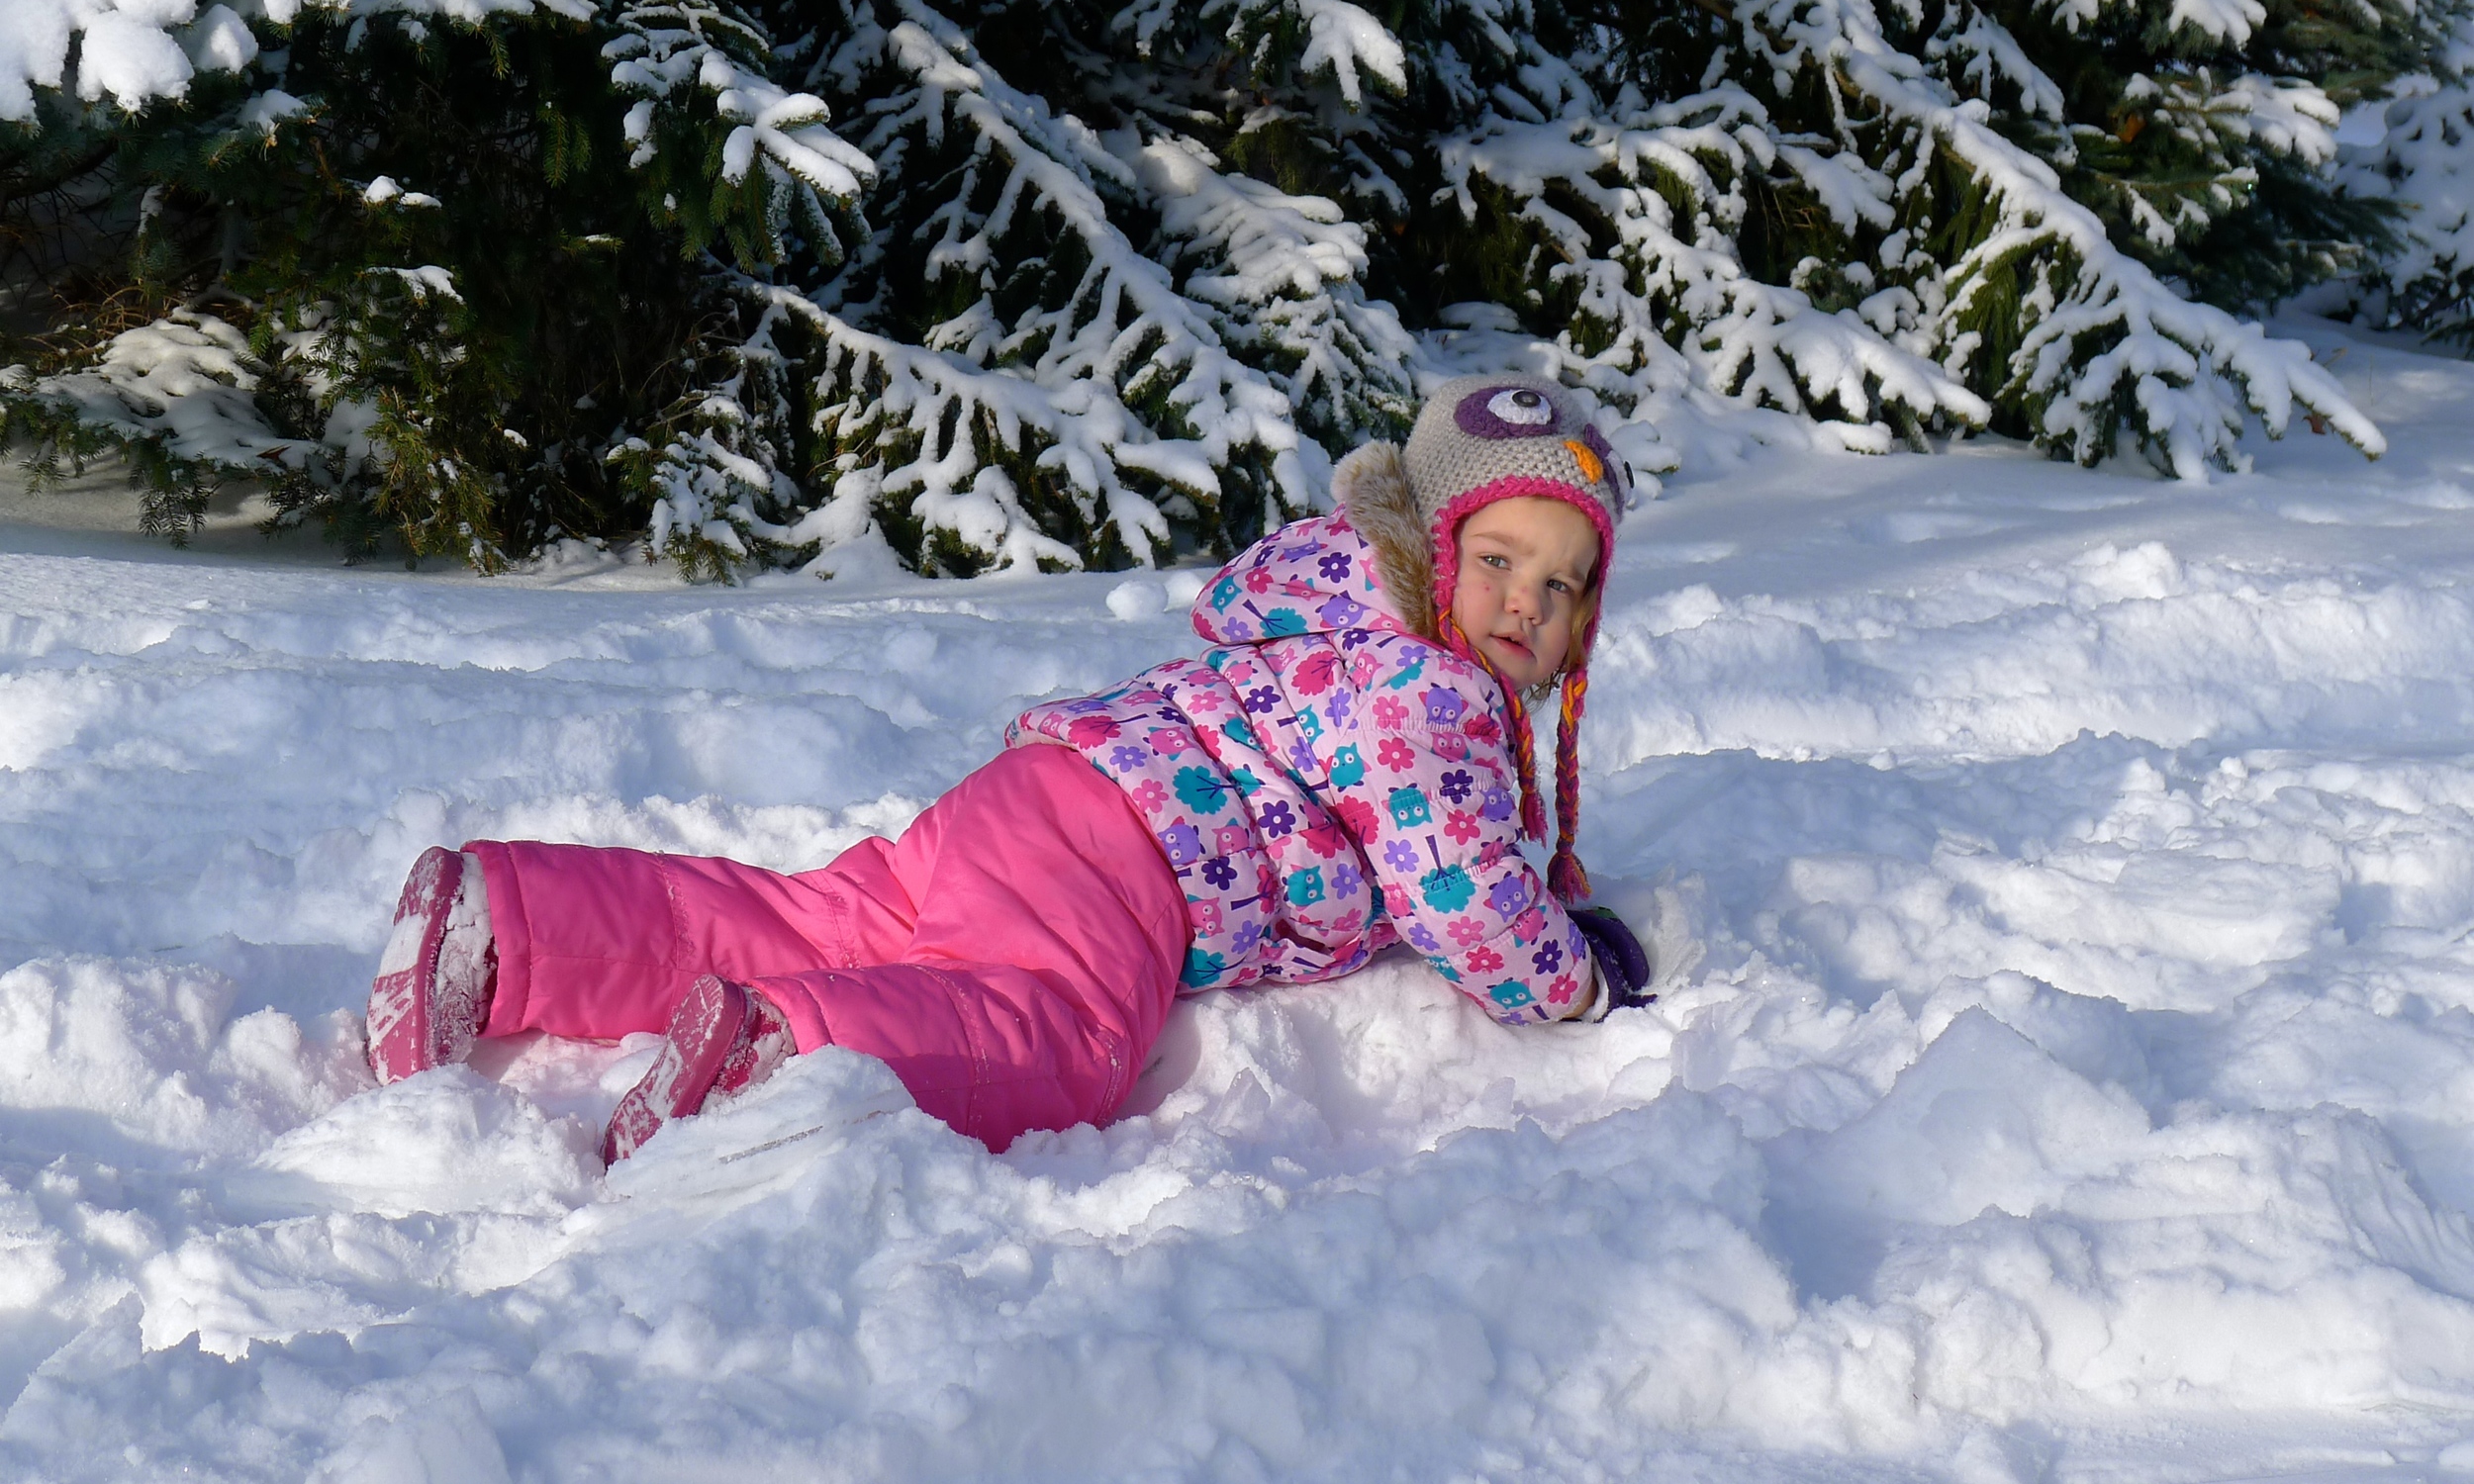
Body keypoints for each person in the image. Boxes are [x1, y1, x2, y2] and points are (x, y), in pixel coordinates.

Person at [363, 376, 1656, 1163]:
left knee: (801, 913)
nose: (1522, 605)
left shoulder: (1338, 606)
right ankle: (788, 1058)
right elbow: (1458, 888)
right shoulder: (1428, 686)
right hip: (1140, 862)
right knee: (1064, 1035)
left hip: (1044, 788)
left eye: (1560, 584)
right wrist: (1576, 972)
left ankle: (506, 924)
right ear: (1434, 546)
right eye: (1496, 560)